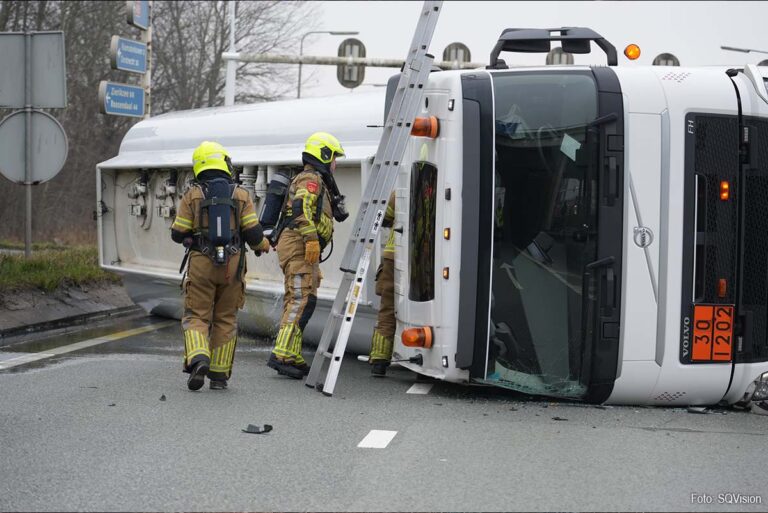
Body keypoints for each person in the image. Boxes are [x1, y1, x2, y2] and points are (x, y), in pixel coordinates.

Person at [171, 141, 270, 391]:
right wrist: (264, 246)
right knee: (226, 317)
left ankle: (198, 358)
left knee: (197, 315)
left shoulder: (192, 195)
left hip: (201, 263)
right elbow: (254, 233)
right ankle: (219, 375)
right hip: (233, 266)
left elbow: (177, 232)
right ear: (225, 163)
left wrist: (191, 234)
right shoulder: (241, 194)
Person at [268, 132, 345, 379]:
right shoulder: (310, 180)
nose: (335, 164)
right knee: (301, 299)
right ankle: (281, 354)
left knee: (304, 299)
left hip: (301, 246)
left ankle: (291, 352)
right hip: (299, 243)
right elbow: (301, 210)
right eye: (334, 158)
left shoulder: (316, 180)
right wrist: (312, 240)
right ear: (324, 155)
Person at [369, 191, 397, 376]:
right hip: (424, 259)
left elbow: (384, 217)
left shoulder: (404, 185)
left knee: (387, 310)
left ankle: (379, 360)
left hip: (392, 257)